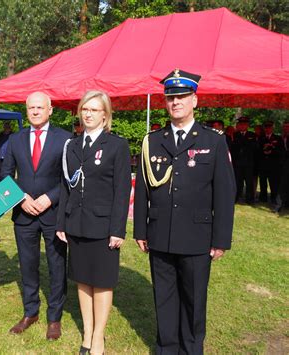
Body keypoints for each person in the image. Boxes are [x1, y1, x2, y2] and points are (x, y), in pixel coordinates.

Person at [133, 69, 236, 354]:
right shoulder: (153, 141)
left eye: (181, 97)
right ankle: (167, 348)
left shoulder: (213, 141)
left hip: (196, 235)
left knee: (193, 300)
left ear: (195, 100)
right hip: (160, 234)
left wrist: (221, 238)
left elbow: (225, 193)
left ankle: (191, 349)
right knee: (164, 298)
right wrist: (141, 230)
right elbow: (143, 189)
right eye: (170, 97)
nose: (175, 102)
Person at [56, 90, 131, 354]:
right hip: (75, 223)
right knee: (82, 279)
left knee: (102, 281)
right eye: (85, 109)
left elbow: (122, 191)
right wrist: (61, 223)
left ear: (105, 115)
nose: (88, 114)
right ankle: (87, 331)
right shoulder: (72, 146)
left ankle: (99, 336)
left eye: (94, 110)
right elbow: (66, 187)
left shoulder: (117, 146)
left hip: (102, 225)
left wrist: (117, 229)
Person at [0, 91, 71, 340]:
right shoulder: (15, 140)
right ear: (26, 110)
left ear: (50, 109)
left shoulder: (65, 139)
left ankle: (54, 317)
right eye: (31, 108)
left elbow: (69, 177)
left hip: (53, 213)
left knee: (57, 266)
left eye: (40, 107)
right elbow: (5, 174)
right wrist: (21, 198)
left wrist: (50, 197)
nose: (35, 111)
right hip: (24, 214)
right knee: (28, 266)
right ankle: (31, 312)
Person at [232, 116, 258, 204]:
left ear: (247, 125)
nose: (242, 126)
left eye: (244, 124)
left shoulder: (252, 135)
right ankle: (236, 198)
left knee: (249, 182)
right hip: (237, 163)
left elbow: (254, 148)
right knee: (237, 182)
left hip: (248, 163)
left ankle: (249, 199)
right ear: (238, 125)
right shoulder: (234, 135)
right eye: (241, 124)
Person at [258, 120, 284, 203]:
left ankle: (274, 198)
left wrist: (272, 150)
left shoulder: (278, 138)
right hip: (263, 164)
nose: (268, 129)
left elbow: (281, 151)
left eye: (269, 127)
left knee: (273, 183)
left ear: (272, 128)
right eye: (266, 127)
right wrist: (263, 150)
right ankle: (263, 198)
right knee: (263, 182)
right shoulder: (261, 138)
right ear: (264, 128)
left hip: (273, 165)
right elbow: (256, 150)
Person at [273, 121, 289, 213]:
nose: (286, 128)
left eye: (287, 127)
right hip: (281, 165)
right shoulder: (280, 138)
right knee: (282, 185)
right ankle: (279, 205)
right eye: (284, 127)